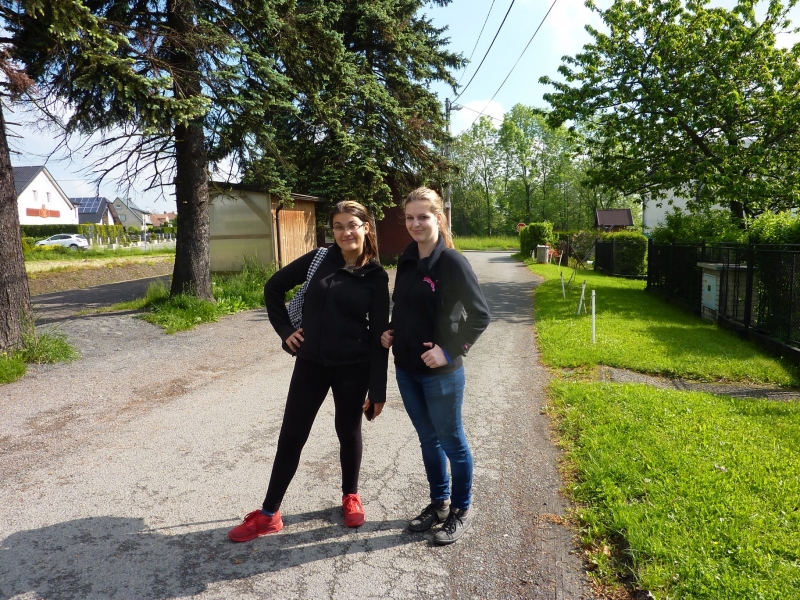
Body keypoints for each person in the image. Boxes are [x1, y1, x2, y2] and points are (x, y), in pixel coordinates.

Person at [228, 200, 390, 543]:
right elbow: (273, 287)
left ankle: (350, 495)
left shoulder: (376, 277)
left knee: (348, 431)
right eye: (338, 226)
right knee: (291, 436)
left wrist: (378, 390)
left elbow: (379, 337)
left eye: (352, 225)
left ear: (365, 228)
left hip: (353, 367)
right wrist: (285, 331)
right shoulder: (320, 258)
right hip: (311, 364)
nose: (345, 232)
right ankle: (269, 514)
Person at [381, 187, 490, 546]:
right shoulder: (407, 258)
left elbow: (480, 315)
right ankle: (440, 504)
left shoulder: (452, 263)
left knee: (452, 441)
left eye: (423, 217)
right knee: (428, 439)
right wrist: (392, 330)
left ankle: (461, 509)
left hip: (441, 374)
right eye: (409, 217)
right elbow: (406, 307)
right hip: (406, 369)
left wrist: (450, 350)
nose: (415, 224)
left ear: (438, 218)